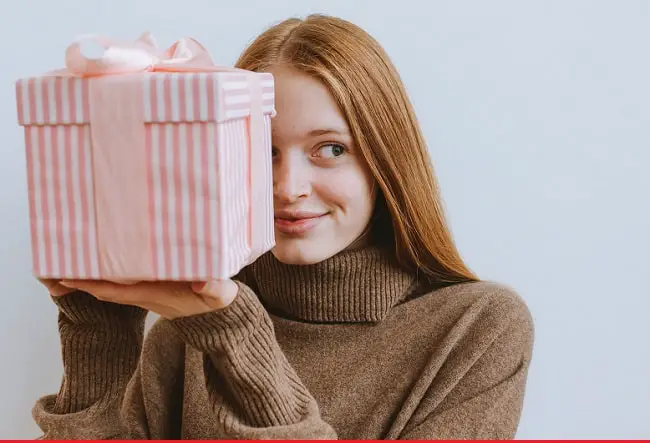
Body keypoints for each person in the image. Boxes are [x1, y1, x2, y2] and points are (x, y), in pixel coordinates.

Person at [33, 14, 534, 440]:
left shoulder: (478, 328)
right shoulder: (183, 330)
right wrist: (96, 335)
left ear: (385, 163)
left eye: (331, 150)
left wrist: (240, 342)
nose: (288, 186)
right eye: (262, 150)